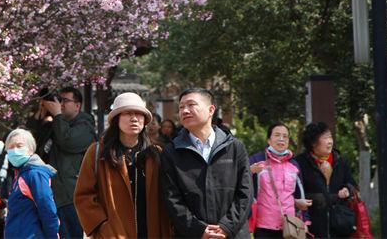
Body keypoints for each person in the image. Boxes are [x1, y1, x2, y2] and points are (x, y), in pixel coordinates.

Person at [74, 92, 173, 238]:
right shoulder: (98, 152)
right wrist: (102, 226)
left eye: (139, 114)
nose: (134, 118)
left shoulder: (155, 153)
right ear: (116, 119)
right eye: (127, 113)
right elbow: (83, 196)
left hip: (151, 232)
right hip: (114, 234)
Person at [160, 88, 253, 239]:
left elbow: (245, 193)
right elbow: (171, 198)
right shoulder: (172, 152)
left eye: (191, 105)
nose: (185, 110)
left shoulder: (234, 147)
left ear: (211, 110)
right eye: (181, 107)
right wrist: (199, 230)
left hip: (232, 234)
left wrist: (226, 227)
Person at [42, 86, 96, 239]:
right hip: (54, 196)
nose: (60, 104)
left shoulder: (86, 127)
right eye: (59, 100)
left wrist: (57, 115)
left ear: (77, 105)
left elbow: (67, 142)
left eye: (65, 100)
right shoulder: (56, 125)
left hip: (72, 197)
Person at [295, 122, 357, 238]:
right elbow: (294, 192)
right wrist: (317, 198)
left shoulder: (339, 161)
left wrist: (347, 189)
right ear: (313, 143)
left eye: (330, 137)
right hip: (311, 227)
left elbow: (352, 184)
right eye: (325, 138)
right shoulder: (299, 163)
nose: (330, 141)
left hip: (338, 226)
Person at [248, 123, 311, 238]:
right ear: (269, 140)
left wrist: (304, 219)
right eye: (277, 135)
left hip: (289, 225)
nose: (281, 139)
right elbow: (240, 181)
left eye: (285, 136)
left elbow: (300, 194)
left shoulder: (294, 164)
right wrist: (250, 171)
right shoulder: (257, 160)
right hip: (263, 225)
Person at [3, 128, 60, 239]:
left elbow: (47, 208)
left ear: (30, 149)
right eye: (10, 147)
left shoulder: (35, 174)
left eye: (19, 146)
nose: (14, 150)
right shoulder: (20, 175)